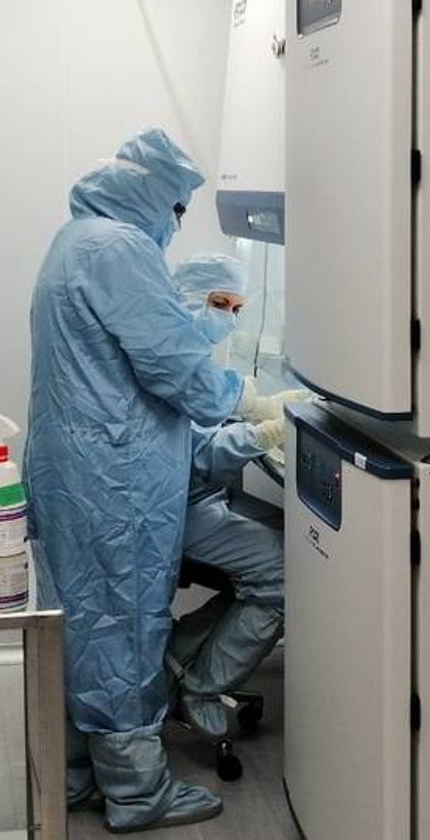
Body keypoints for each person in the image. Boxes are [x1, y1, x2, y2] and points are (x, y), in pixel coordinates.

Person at [24, 129, 273, 833]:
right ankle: (137, 792)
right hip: (117, 478)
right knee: (124, 624)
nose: (175, 223)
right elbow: (175, 368)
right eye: (176, 206)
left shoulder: (77, 239)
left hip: (80, 467)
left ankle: (76, 773)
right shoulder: (120, 250)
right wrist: (243, 400)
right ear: (150, 194)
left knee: (83, 623)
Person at [165, 254, 303, 739]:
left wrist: (250, 407)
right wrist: (264, 433)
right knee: (289, 575)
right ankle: (201, 686)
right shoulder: (167, 354)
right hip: (176, 509)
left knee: (297, 544)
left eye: (235, 308)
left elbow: (206, 413)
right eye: (218, 303)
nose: (226, 317)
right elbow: (199, 457)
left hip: (198, 498)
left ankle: (179, 655)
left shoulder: (181, 348)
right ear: (184, 297)